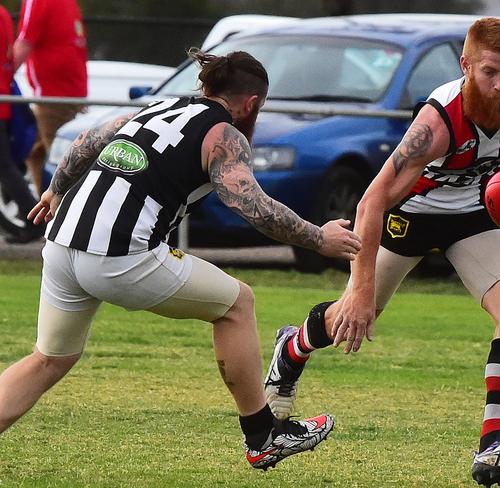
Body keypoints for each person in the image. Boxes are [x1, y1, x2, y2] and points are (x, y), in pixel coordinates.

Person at [263, 17, 500, 486]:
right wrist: (361, 288)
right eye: (490, 71)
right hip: (411, 216)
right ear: (465, 64)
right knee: (354, 313)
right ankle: (293, 346)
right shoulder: (438, 122)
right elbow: (372, 201)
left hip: (472, 215)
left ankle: (492, 446)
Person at [0, 49, 362, 470]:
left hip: (61, 244)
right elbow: (252, 206)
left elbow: (86, 141)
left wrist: (56, 190)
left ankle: (264, 433)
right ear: (252, 103)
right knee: (236, 304)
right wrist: (320, 237)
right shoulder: (224, 136)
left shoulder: (158, 108)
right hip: (121, 255)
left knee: (49, 359)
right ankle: (263, 435)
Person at [13, 0, 88, 197]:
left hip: (52, 94)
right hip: (66, 91)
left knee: (63, 165)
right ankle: (41, 211)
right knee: (35, 152)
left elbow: (25, 42)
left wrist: (4, 76)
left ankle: (62, 216)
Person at [0, 4, 43, 244]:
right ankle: (30, 220)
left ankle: (32, 220)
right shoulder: (4, 14)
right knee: (6, 166)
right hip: (3, 100)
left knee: (5, 167)